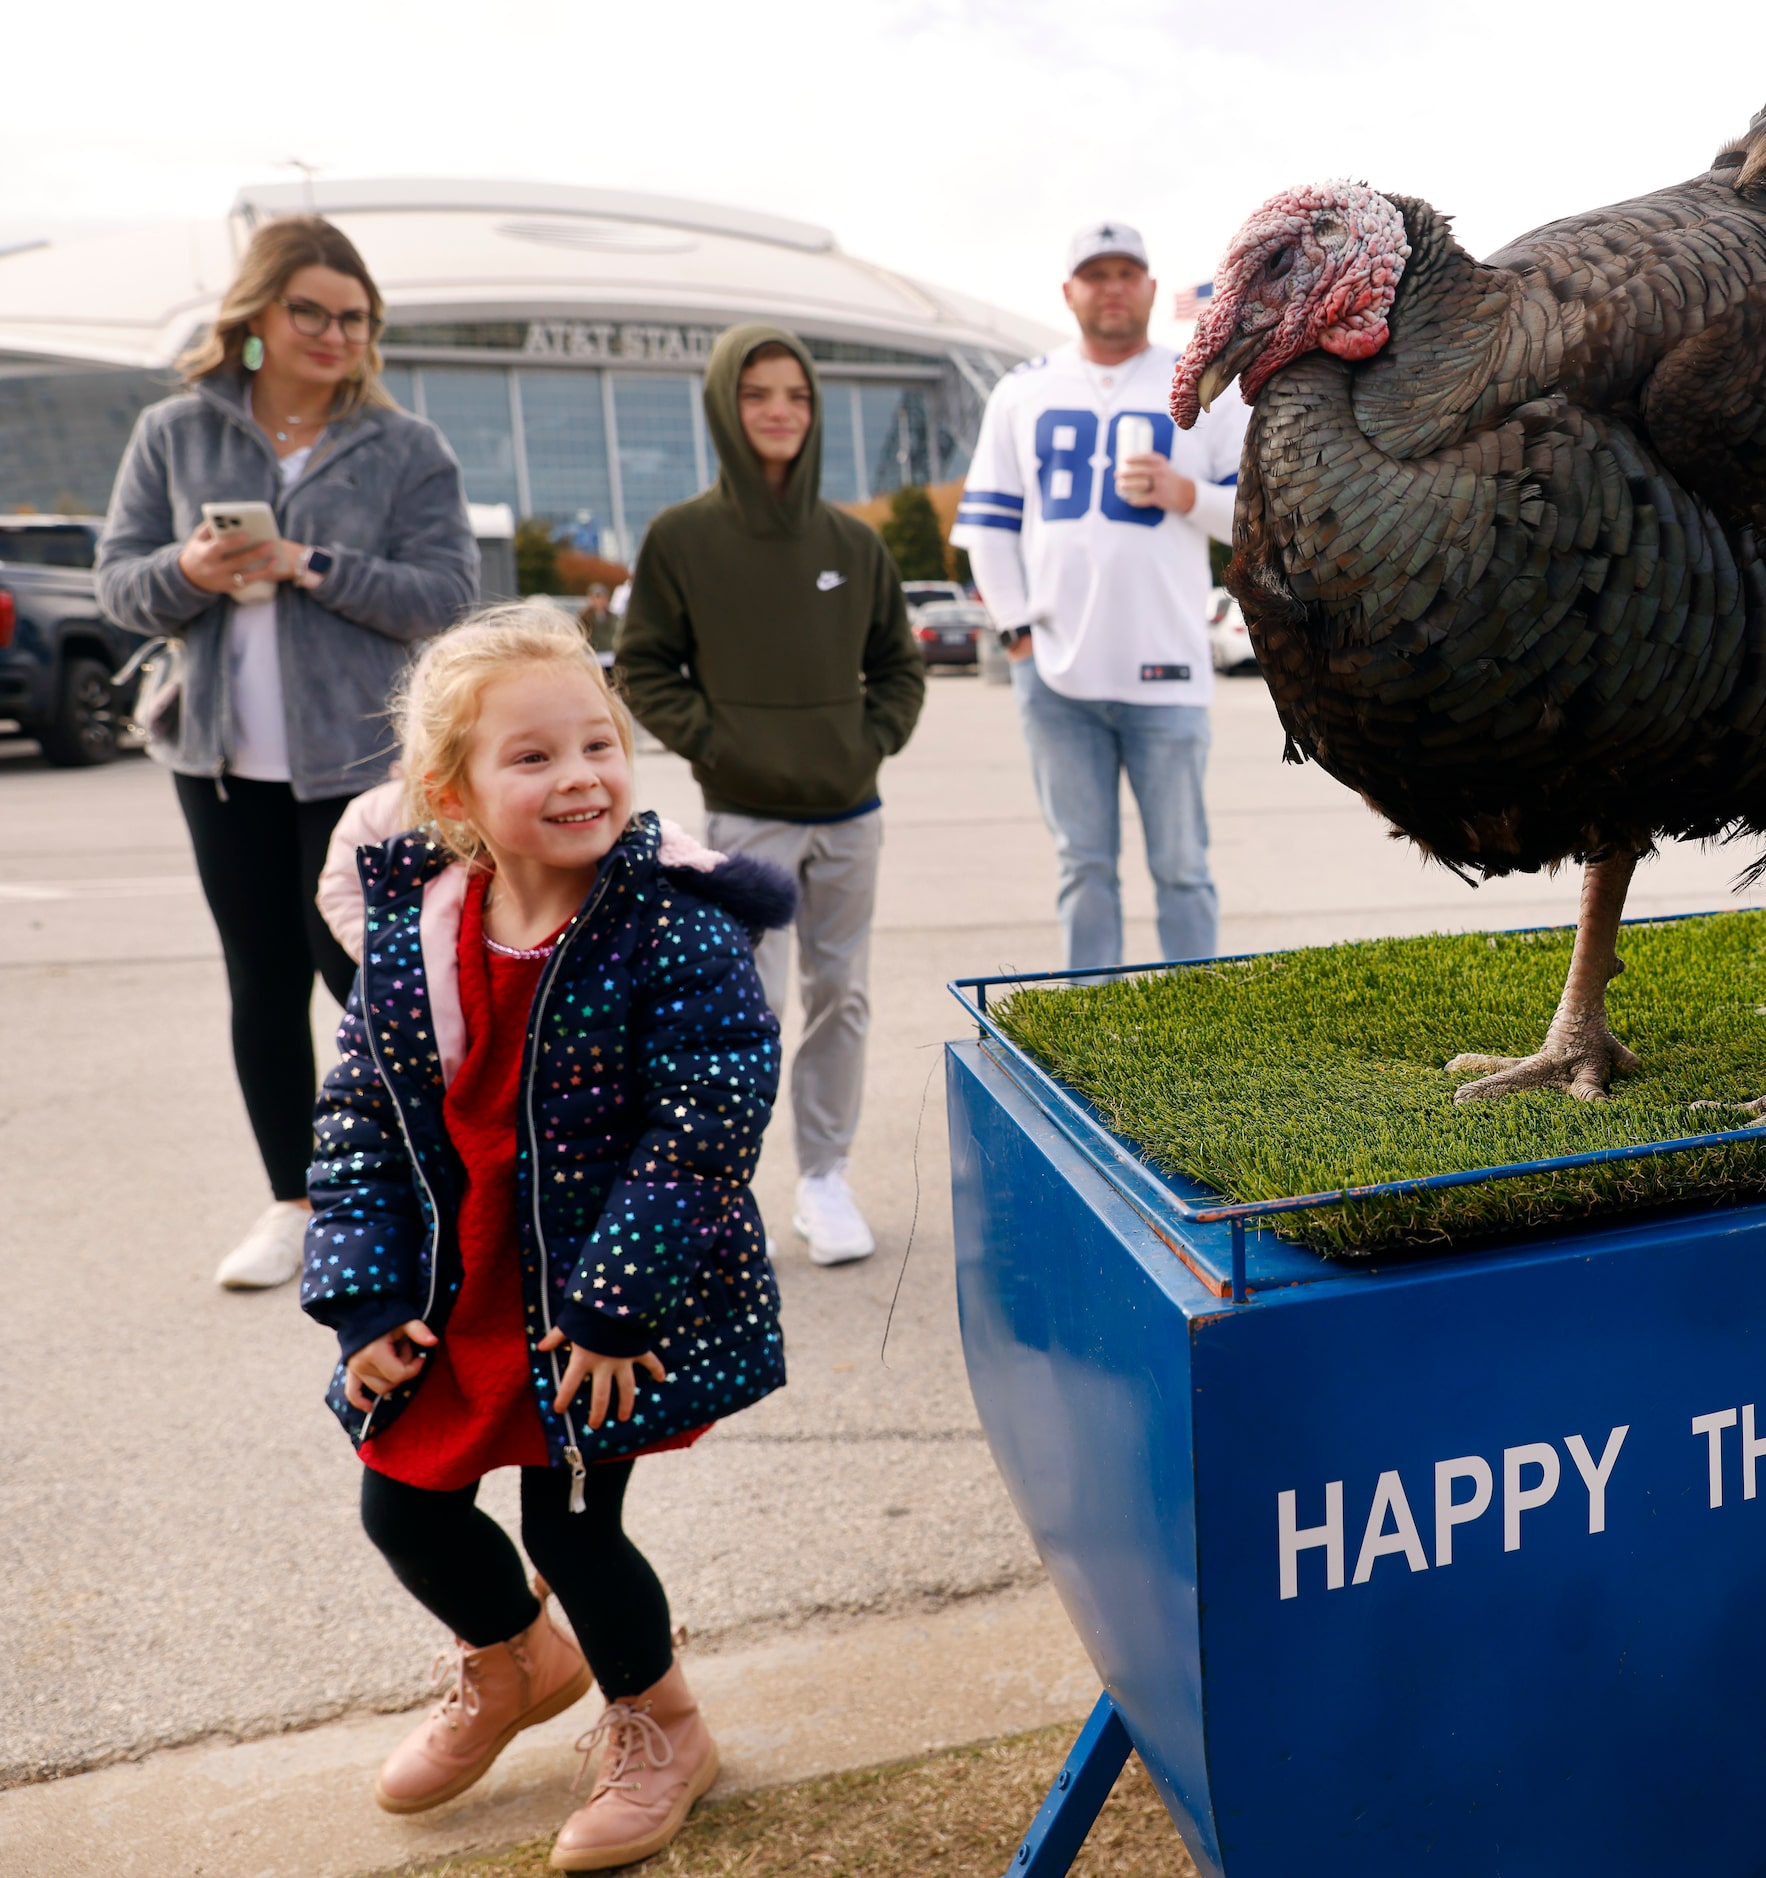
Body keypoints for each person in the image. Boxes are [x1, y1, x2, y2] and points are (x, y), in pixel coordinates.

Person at [305, 607, 793, 1869]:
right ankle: (518, 1662)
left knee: (573, 1526)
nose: (579, 776)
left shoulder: (672, 927)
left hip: (592, 1304)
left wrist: (618, 1300)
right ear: (449, 790)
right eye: (532, 758)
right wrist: (360, 1302)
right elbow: (356, 1119)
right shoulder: (417, 935)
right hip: (450, 1289)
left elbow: (704, 1128)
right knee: (402, 1508)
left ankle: (662, 1725)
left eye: (598, 744)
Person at [94, 215, 478, 1291]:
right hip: (218, 763)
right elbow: (116, 582)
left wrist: (310, 561)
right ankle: (293, 1202)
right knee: (261, 979)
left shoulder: (407, 449)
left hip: (360, 767)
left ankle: (412, 1188)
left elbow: (447, 597)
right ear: (255, 317)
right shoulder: (176, 433)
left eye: (353, 317)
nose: (332, 332)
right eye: (308, 310)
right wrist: (192, 569)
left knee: (373, 982)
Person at [615, 325, 925, 1266]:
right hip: (747, 818)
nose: (780, 410)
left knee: (842, 997)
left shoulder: (851, 543)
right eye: (758, 395)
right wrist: (723, 748)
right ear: (725, 406)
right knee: (745, 1006)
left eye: (795, 394)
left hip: (851, 818)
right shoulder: (682, 539)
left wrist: (864, 746)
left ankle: (825, 1180)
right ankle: (722, 1191)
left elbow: (899, 667)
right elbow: (644, 667)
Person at [951, 220, 1247, 970]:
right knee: (1082, 866)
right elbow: (987, 527)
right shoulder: (1022, 390)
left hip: (1169, 666)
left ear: (1149, 288)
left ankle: (1199, 1013)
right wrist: (1018, 633)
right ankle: (1092, 1020)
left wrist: (1187, 494)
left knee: (1183, 867)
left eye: (1126, 273)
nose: (1112, 288)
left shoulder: (1202, 381)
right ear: (1069, 291)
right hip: (1055, 672)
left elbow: (1259, 514)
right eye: (1096, 274)